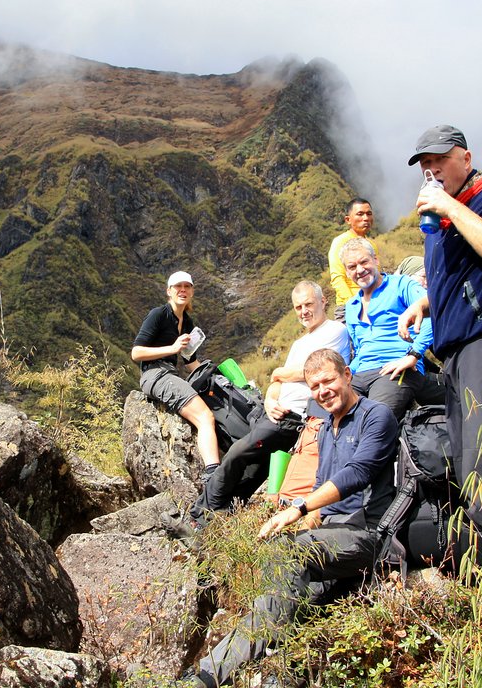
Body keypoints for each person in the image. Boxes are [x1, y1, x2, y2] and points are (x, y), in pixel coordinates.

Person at [184, 348, 399, 687]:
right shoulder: (328, 427)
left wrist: (296, 510)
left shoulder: (376, 416)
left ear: (347, 375)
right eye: (314, 386)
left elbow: (359, 472)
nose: (322, 391)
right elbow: (320, 489)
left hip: (367, 534)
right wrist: (301, 523)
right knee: (285, 597)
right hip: (331, 541)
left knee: (289, 557)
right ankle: (209, 676)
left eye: (328, 380)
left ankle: (210, 676)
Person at [398, 124, 482, 547]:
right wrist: (426, 304)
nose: (432, 171)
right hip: (456, 355)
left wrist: (452, 209)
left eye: (440, 161)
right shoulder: (442, 217)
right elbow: (463, 278)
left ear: (467, 158)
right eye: (425, 165)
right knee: (466, 468)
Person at [177, 282, 350, 532]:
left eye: (309, 304)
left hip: (296, 418)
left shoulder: (335, 330)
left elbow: (317, 371)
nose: (304, 311)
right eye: (298, 307)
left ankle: (195, 519)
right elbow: (277, 382)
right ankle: (215, 528)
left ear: (323, 302)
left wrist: (281, 372)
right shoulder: (300, 344)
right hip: (276, 413)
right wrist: (270, 399)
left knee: (237, 454)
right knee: (251, 475)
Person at [132, 271, 221, 473]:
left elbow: (190, 362)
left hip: (170, 374)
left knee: (210, 404)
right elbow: (136, 352)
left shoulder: (187, 323)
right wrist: (172, 349)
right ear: (169, 291)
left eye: (187, 286)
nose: (183, 290)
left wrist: (216, 377)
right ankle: (213, 473)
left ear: (192, 291)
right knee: (205, 417)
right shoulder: (158, 314)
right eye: (177, 286)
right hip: (154, 374)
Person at [341, 237, 433, 419]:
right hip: (361, 374)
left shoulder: (401, 285)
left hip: (394, 368)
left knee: (376, 419)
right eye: (352, 267)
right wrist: (344, 375)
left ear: (376, 260)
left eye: (364, 262)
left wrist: (414, 354)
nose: (360, 270)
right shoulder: (351, 307)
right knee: (326, 414)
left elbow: (432, 315)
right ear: (346, 271)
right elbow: (360, 350)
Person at [327, 198, 374, 323]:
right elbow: (337, 278)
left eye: (369, 214)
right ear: (348, 219)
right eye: (360, 214)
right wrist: (355, 304)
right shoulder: (340, 242)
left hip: (372, 304)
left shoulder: (371, 245)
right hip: (348, 307)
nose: (366, 218)